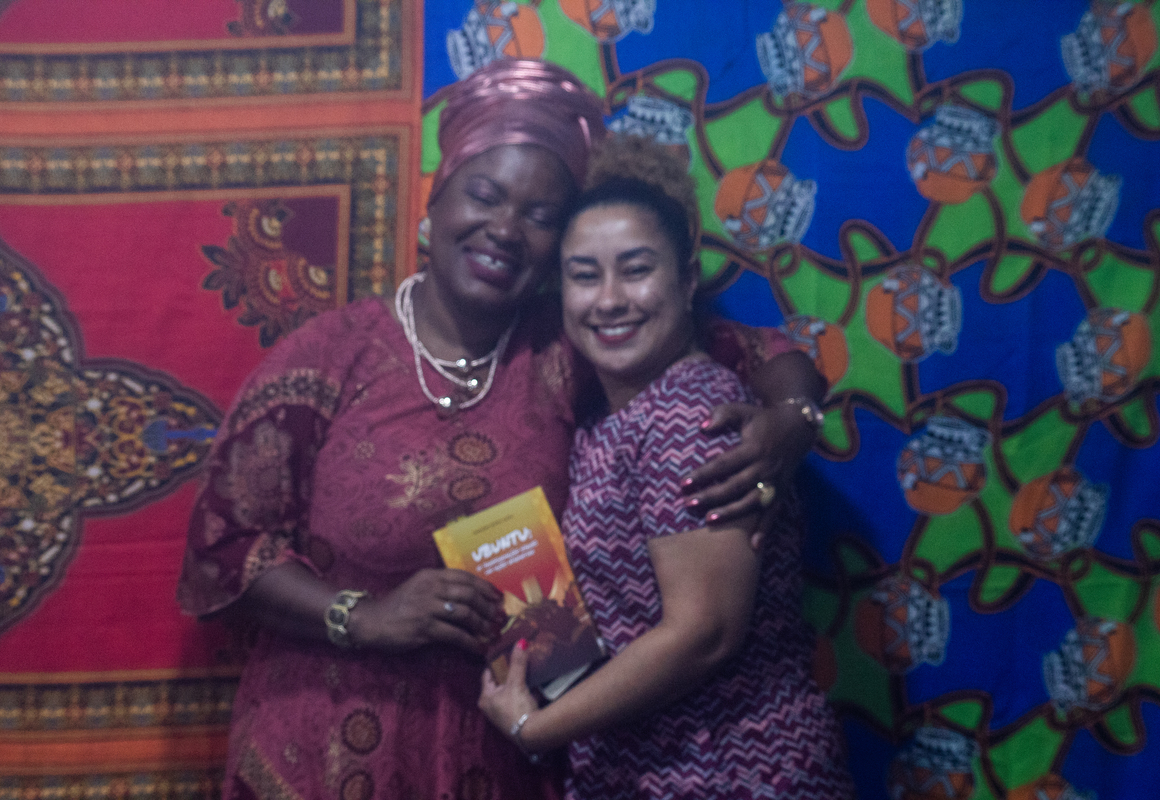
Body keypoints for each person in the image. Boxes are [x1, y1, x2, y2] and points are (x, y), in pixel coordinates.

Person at [176, 59, 826, 800]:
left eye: (542, 216)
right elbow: (225, 547)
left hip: (511, 746)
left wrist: (791, 420)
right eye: (484, 196)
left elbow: (758, 353)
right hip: (324, 748)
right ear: (437, 199)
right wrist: (365, 617)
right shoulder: (329, 357)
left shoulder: (571, 344)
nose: (506, 230)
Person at [478, 135, 855, 799]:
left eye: (636, 270)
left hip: (733, 773)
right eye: (585, 276)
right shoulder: (607, 420)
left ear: (686, 280)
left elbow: (704, 632)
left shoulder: (692, 415)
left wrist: (535, 729)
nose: (609, 300)